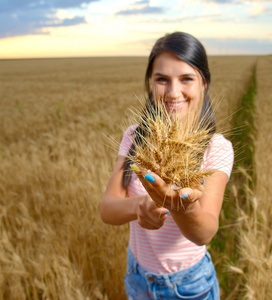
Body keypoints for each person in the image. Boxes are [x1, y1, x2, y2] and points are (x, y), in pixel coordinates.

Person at [100, 32, 234, 300]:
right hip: (137, 278)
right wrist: (140, 206)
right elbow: (107, 209)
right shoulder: (134, 136)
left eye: (186, 78)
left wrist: (180, 208)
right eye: (162, 79)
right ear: (150, 83)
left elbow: (205, 232)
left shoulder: (215, 147)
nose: (174, 92)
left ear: (204, 83)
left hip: (188, 287)